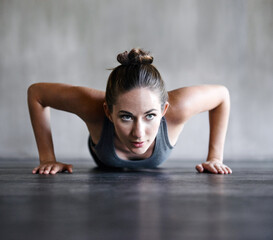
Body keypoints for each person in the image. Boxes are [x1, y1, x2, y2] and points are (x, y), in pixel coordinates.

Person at [28, 48, 232, 175]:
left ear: (164, 110)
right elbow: (37, 93)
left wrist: (215, 157)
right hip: (102, 155)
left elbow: (221, 96)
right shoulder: (93, 107)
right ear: (108, 112)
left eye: (150, 116)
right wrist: (47, 158)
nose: (139, 133)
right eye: (126, 117)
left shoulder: (178, 108)